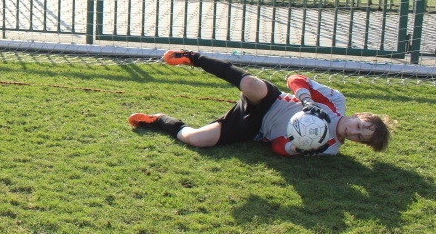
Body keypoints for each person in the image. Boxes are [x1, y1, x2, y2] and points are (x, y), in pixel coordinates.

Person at [129, 50, 393, 156]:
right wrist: (307, 101)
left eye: (359, 138)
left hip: (254, 129)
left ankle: (159, 120)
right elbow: (296, 78)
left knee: (197, 140)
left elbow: (277, 148)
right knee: (252, 85)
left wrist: (294, 145)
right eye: (359, 126)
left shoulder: (330, 148)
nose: (353, 132)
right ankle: (194, 58)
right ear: (359, 115)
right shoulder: (336, 102)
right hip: (272, 101)